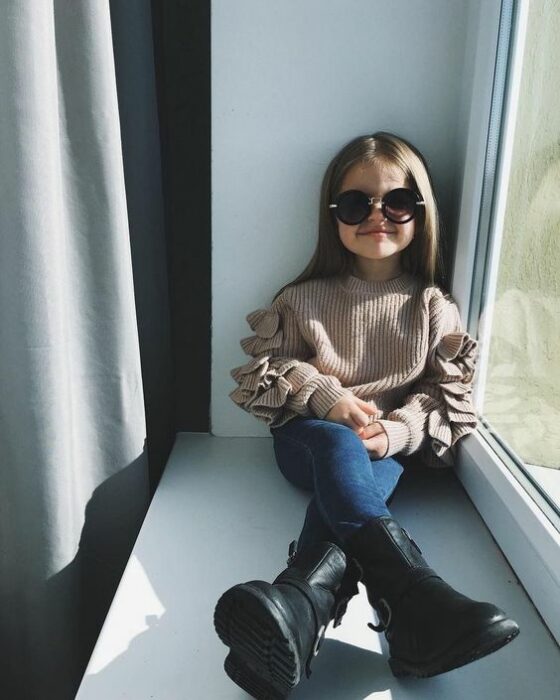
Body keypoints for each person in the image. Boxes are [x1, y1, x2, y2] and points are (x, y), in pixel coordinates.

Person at [213, 131, 520, 699]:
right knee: (337, 445)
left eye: (396, 201)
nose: (377, 215)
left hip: (383, 451)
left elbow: (444, 392)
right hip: (309, 439)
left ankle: (301, 602)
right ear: (333, 217)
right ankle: (413, 594)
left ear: (420, 212)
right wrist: (327, 397)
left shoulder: (432, 305)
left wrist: (396, 430)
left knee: (365, 464)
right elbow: (268, 370)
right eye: (356, 204)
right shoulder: (301, 298)